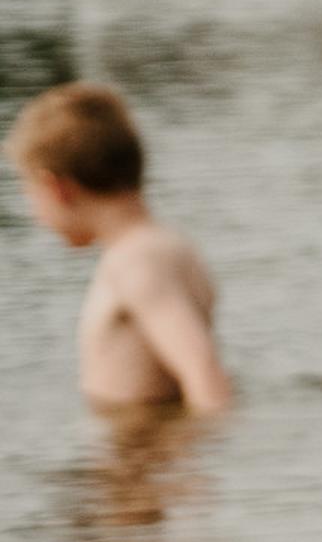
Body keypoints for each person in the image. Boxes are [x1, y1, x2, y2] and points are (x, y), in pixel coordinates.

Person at [11, 81, 232, 415]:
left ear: (56, 189)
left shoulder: (135, 260)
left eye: (30, 196)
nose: (33, 213)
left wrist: (197, 467)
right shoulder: (168, 245)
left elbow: (202, 370)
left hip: (145, 460)